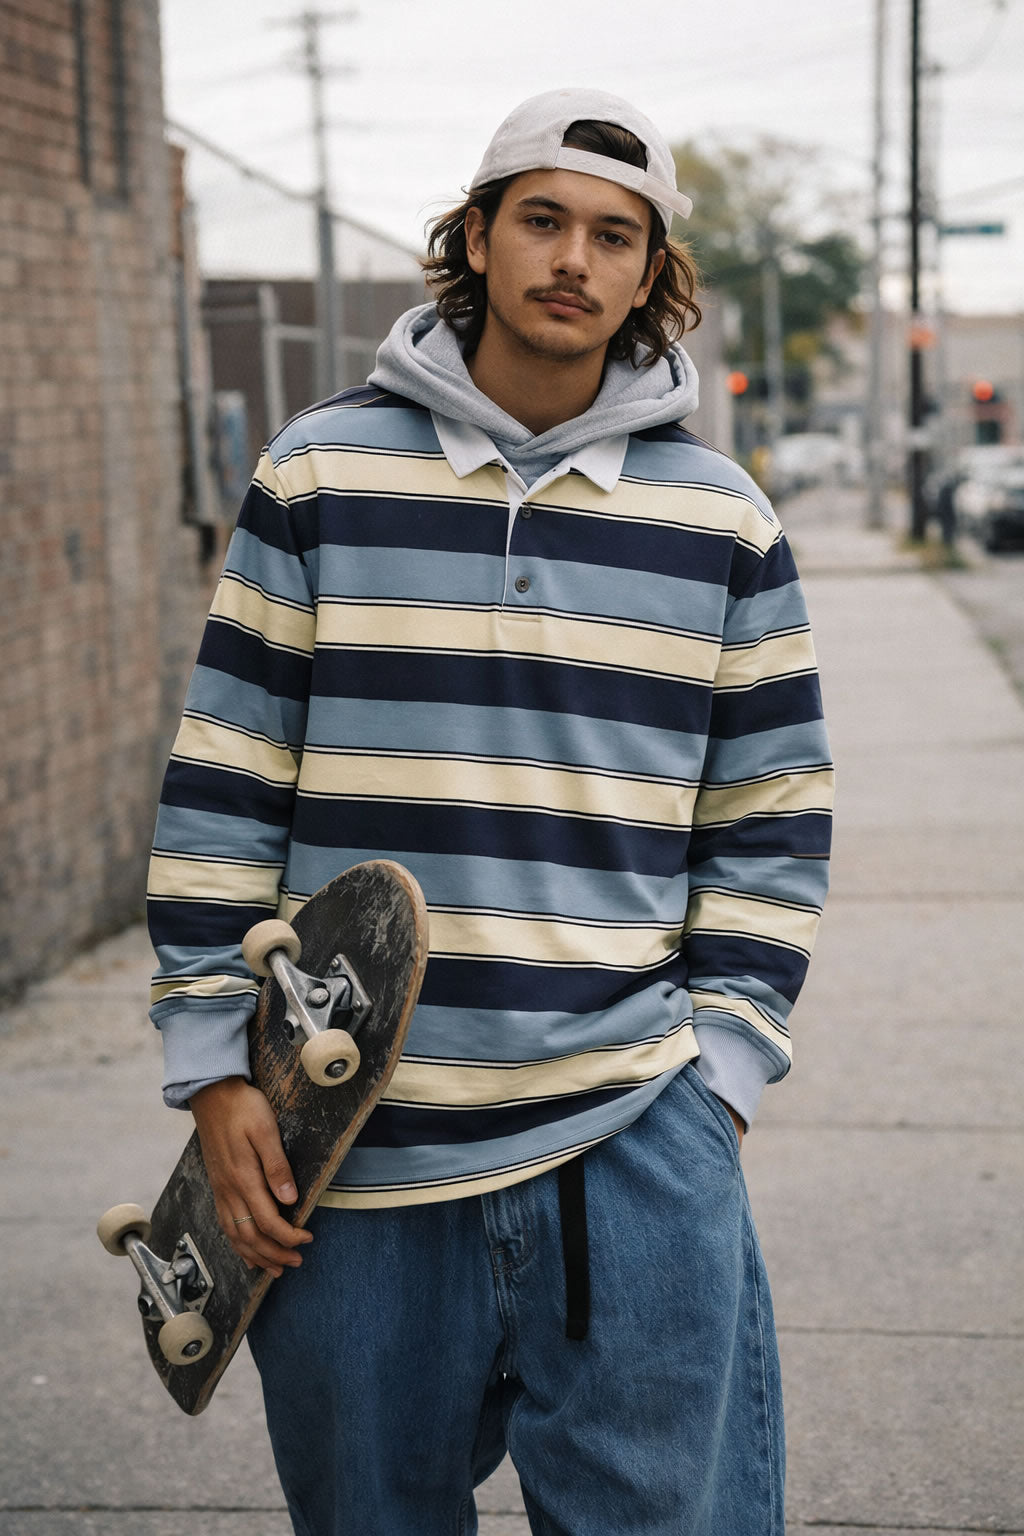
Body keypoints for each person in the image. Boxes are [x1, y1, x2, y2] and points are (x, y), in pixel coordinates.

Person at [148, 87, 833, 1535]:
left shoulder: (722, 523)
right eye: (542, 220)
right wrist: (214, 1073)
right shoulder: (321, 474)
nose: (573, 259)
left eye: (613, 235)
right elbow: (224, 783)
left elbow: (771, 822)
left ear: (652, 276)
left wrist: (718, 1087)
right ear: (475, 236)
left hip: (631, 1141)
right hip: (347, 1161)